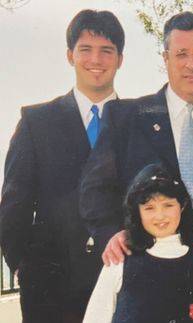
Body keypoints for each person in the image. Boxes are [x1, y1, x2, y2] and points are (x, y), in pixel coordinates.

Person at [79, 11, 193, 322]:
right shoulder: (126, 117)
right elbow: (94, 189)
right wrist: (113, 235)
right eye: (181, 53)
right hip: (142, 278)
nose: (191, 64)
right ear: (165, 57)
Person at [0, 9, 124, 323]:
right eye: (85, 49)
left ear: (119, 59)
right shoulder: (35, 123)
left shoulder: (139, 120)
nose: (96, 59)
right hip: (51, 294)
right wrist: (24, 268)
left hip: (123, 288)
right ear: (70, 55)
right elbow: (13, 207)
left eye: (106, 50)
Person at [83, 164, 193, 323]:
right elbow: (96, 316)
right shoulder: (120, 257)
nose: (160, 216)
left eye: (168, 205)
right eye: (149, 208)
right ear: (138, 212)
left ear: (182, 205)